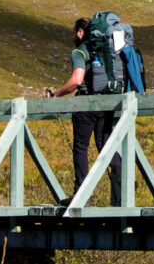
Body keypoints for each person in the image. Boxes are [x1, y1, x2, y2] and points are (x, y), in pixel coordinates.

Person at [46, 17, 122, 205]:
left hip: (85, 105)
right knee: (105, 144)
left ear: (80, 32)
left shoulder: (80, 51)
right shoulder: (106, 50)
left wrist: (56, 95)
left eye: (75, 32)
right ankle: (125, 179)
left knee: (81, 147)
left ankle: (81, 193)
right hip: (107, 102)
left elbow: (76, 81)